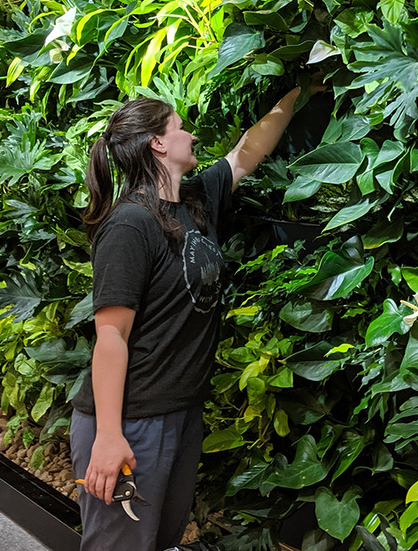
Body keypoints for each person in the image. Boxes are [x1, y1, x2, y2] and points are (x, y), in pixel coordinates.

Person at [71, 83, 322, 551]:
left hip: (179, 410)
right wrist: (108, 437)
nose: (190, 134)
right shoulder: (130, 224)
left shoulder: (194, 202)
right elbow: (110, 336)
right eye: (179, 127)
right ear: (158, 143)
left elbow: (246, 153)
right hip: (131, 417)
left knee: (159, 540)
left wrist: (297, 91)